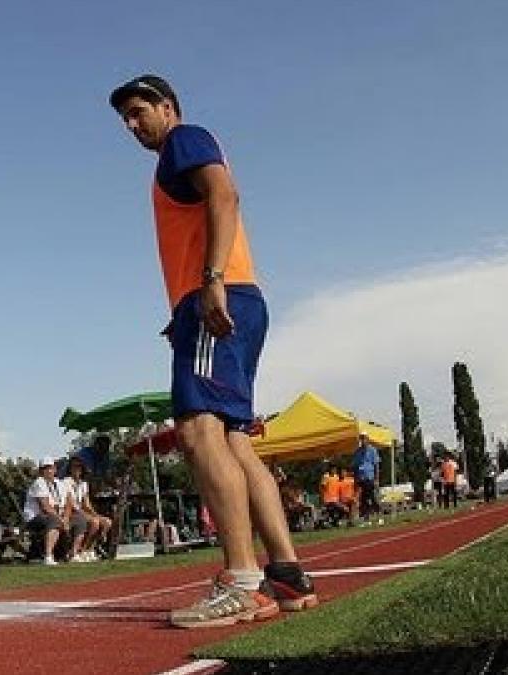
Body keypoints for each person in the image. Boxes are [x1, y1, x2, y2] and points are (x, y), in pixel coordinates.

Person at [108, 74, 315, 628]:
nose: (132, 126)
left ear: (167, 107)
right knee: (237, 442)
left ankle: (242, 581)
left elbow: (224, 193)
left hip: (219, 296)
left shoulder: (185, 138)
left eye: (138, 112)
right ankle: (287, 575)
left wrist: (211, 280)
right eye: (124, 119)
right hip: (231, 300)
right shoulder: (178, 151)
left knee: (198, 431)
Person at [64, 455, 111, 561]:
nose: (77, 469)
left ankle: (90, 548)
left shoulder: (83, 484)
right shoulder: (66, 482)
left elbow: (87, 504)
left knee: (107, 522)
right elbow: (70, 503)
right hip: (71, 512)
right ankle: (82, 550)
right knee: (95, 522)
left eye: (79, 467)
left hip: (81, 511)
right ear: (70, 469)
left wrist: (95, 514)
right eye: (74, 467)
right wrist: (90, 516)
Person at [23, 457, 68, 565]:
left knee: (77, 520)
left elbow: (67, 502)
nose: (48, 471)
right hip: (34, 517)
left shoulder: (58, 483)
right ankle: (48, 555)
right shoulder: (39, 482)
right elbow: (45, 507)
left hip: (50, 515)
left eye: (50, 468)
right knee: (54, 522)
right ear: (40, 471)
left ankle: (74, 553)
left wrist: (66, 517)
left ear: (55, 469)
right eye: (45, 468)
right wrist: (61, 520)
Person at [352, 434, 381, 523]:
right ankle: (366, 517)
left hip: (370, 477)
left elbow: (376, 465)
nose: (363, 441)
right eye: (361, 439)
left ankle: (378, 514)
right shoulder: (357, 452)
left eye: (364, 439)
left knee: (372, 497)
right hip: (361, 478)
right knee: (363, 499)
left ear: (368, 439)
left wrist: (376, 479)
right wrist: (356, 480)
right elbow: (355, 467)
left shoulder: (372, 450)